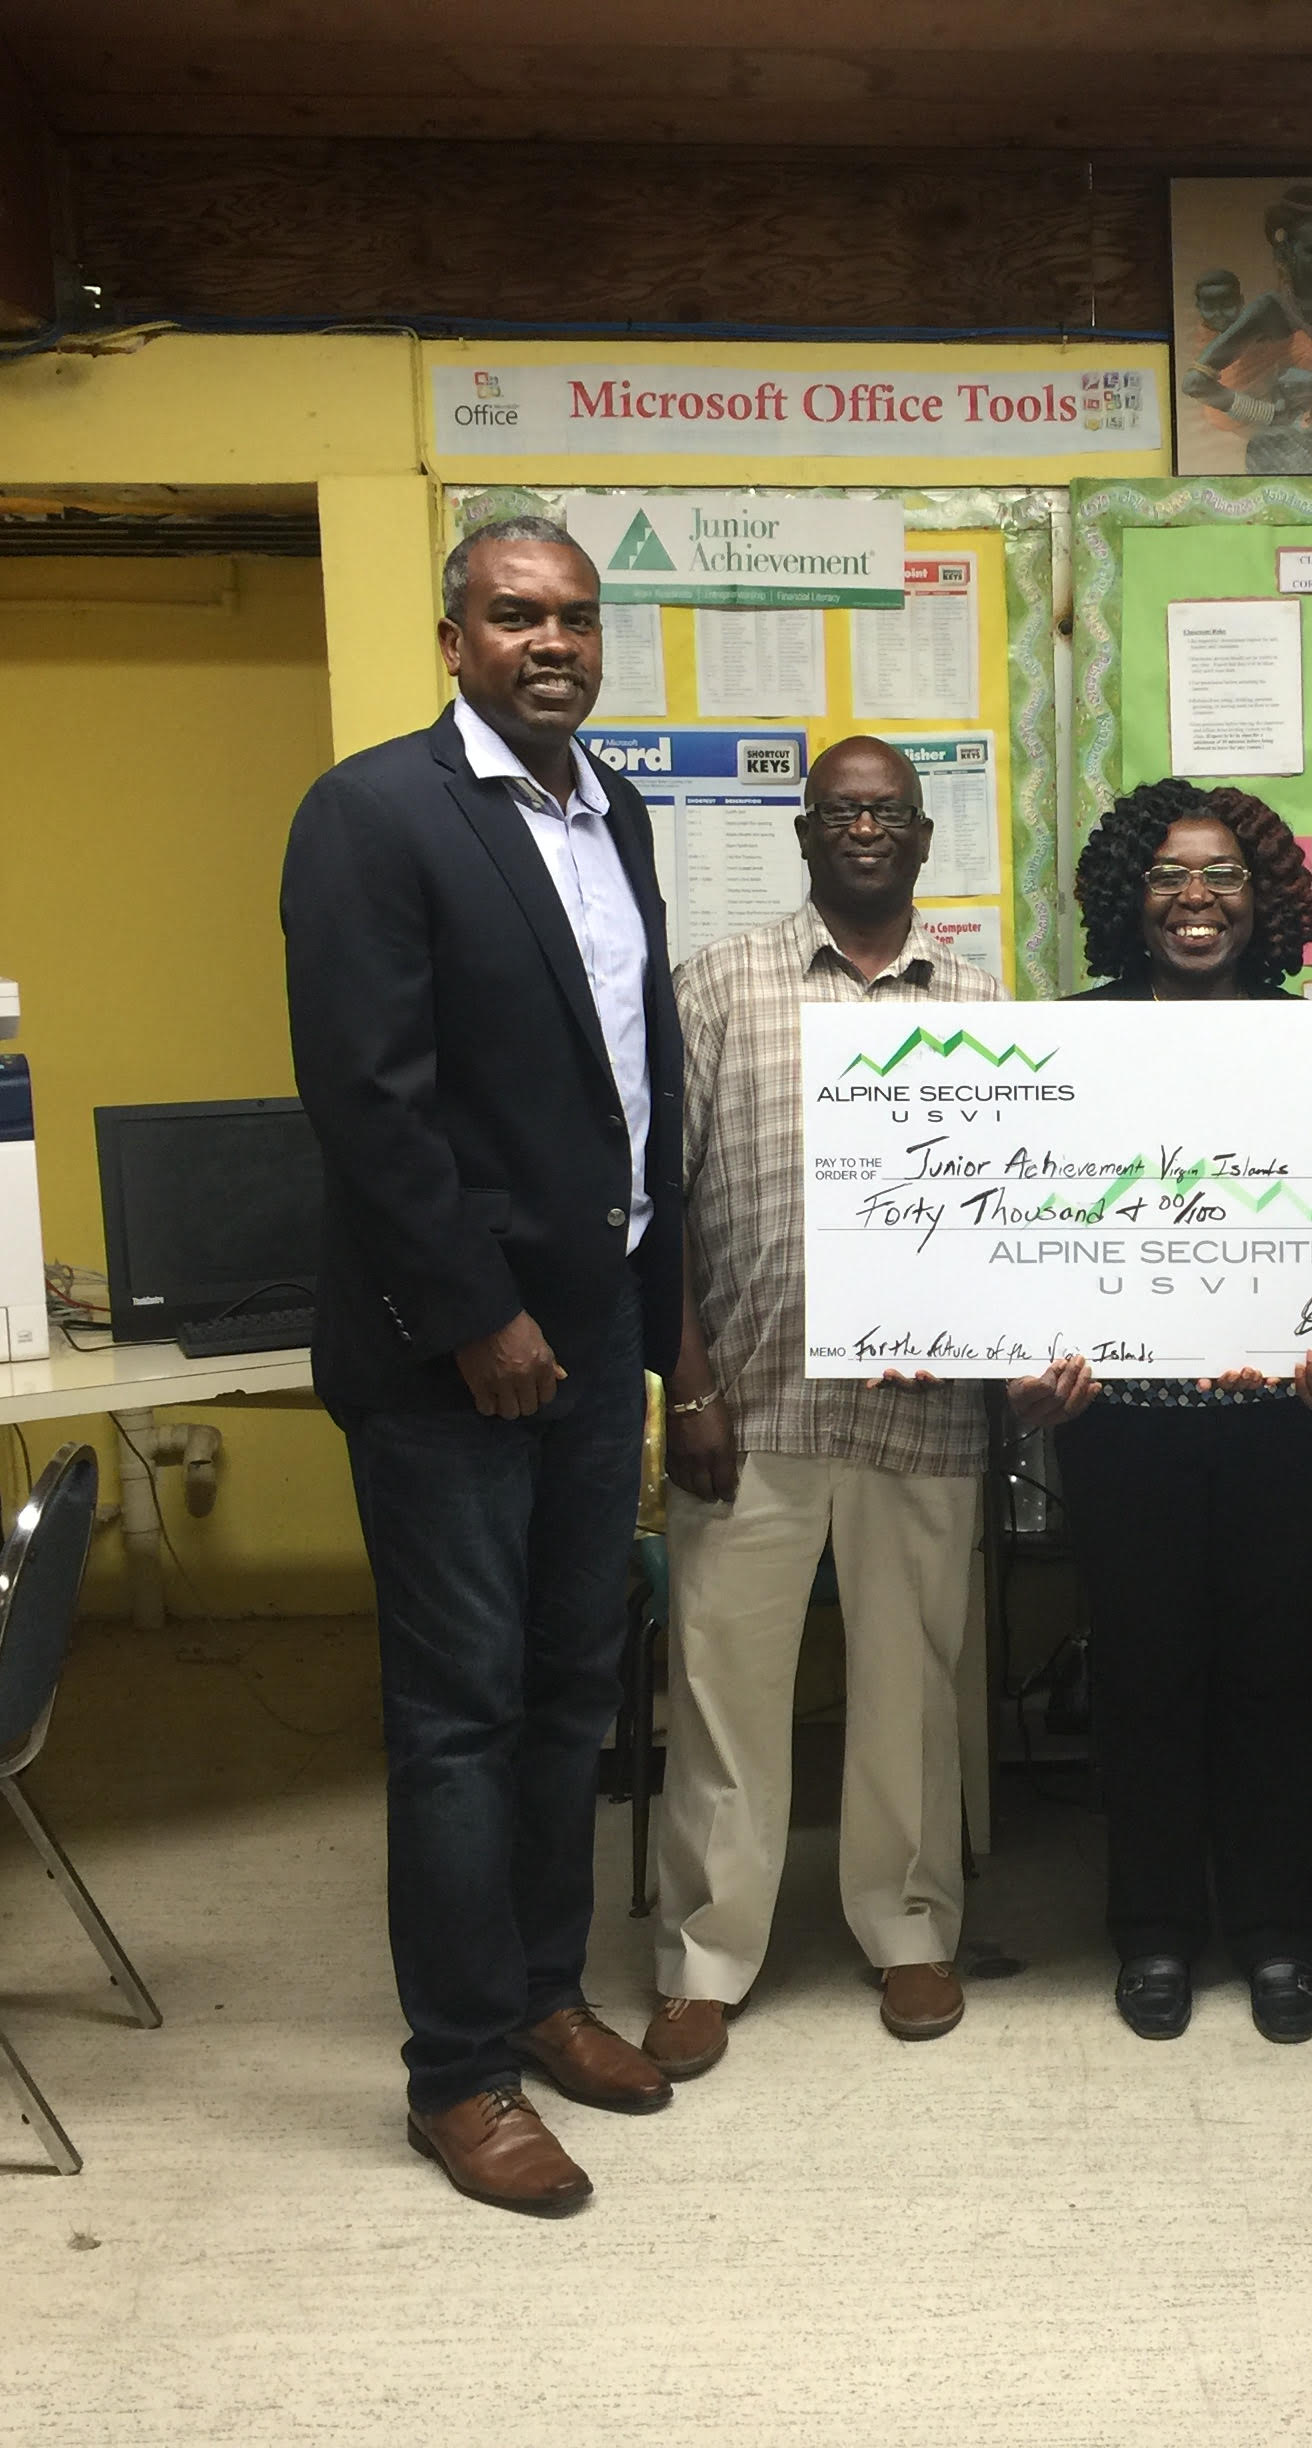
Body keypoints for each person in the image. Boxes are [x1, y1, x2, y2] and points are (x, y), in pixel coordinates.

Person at [282, 515, 683, 2216]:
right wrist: (474, 1314)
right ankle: (456, 2071)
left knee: (570, 1694)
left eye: (576, 617)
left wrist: (648, 1321)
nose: (551, 642)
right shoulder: (374, 813)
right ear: (453, 639)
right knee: (458, 1715)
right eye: (516, 615)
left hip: (590, 1331)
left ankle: (540, 1987)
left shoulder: (617, 811)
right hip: (451, 1346)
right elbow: (367, 1095)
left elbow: (620, 1078)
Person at [649, 736, 1001, 2073]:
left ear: (922, 840)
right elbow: (659, 1212)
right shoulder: (717, 990)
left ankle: (908, 1929)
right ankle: (705, 1955)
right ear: (804, 836)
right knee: (725, 1690)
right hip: (752, 1404)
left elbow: (1016, 1216)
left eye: (889, 814)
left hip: (923, 1416)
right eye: (840, 811)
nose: (865, 829)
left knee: (913, 1689)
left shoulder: (982, 1001)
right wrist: (688, 1385)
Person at [1007, 780, 1312, 2045]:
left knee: (1274, 1673)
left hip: (1280, 1421)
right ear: (1126, 899)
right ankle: (1153, 1929)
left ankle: (1274, 1932)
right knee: (1144, 1675)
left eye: (1222, 876)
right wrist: (1024, 1366)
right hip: (1125, 1420)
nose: (1195, 898)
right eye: (1167, 876)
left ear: (1264, 899)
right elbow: (1024, 1228)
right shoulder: (1070, 1043)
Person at [1181, 184, 1312, 474]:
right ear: (1288, 252)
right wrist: (1266, 413)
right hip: (1280, 458)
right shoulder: (1270, 309)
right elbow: (1195, 383)